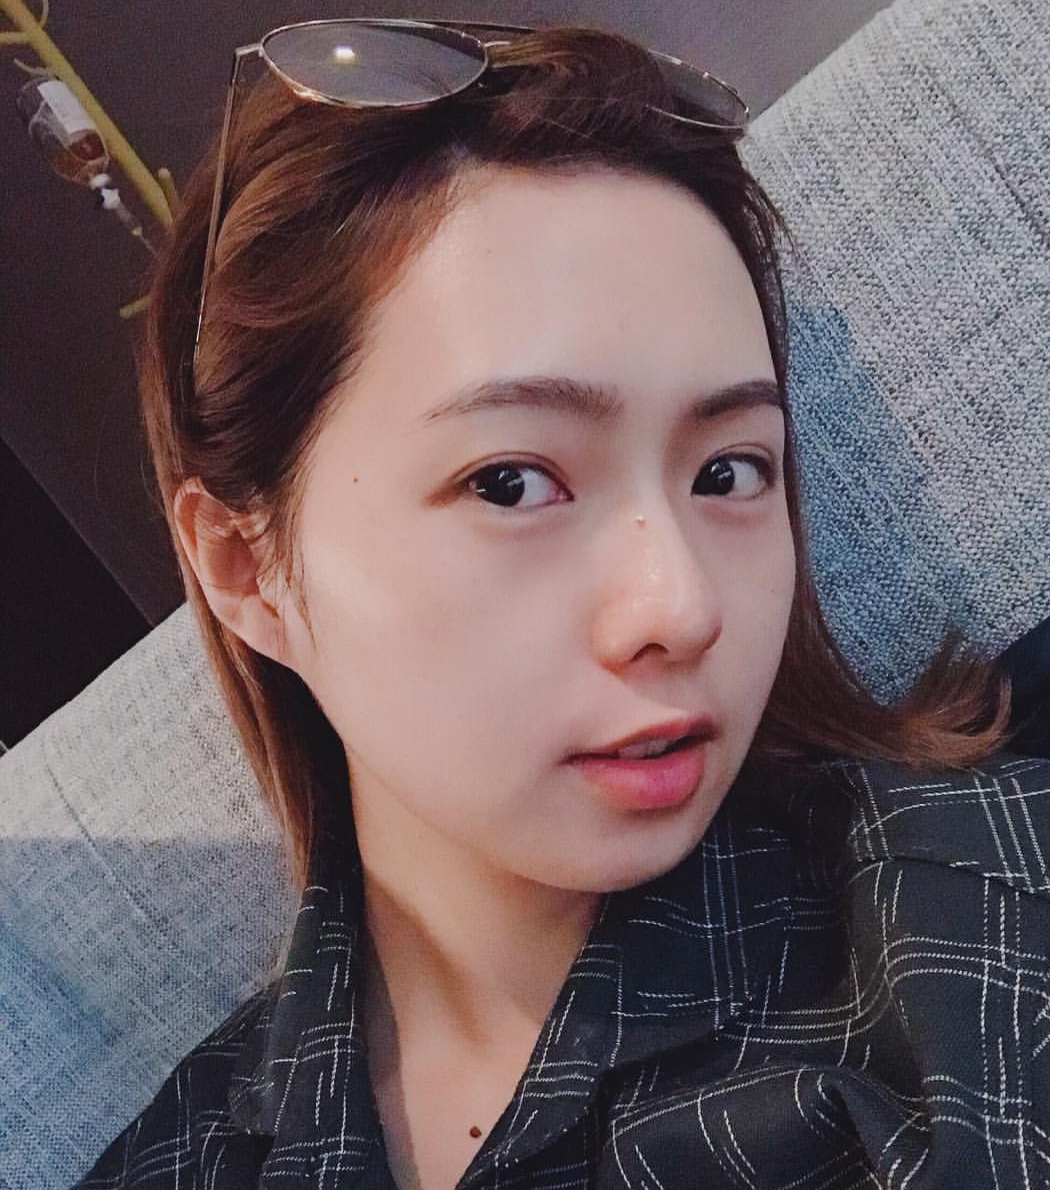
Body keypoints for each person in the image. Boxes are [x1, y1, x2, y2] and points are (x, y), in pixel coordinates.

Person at [72, 18, 1050, 1190]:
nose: (681, 604)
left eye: (728, 470)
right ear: (245, 566)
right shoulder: (179, 1162)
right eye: (512, 481)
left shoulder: (972, 917)